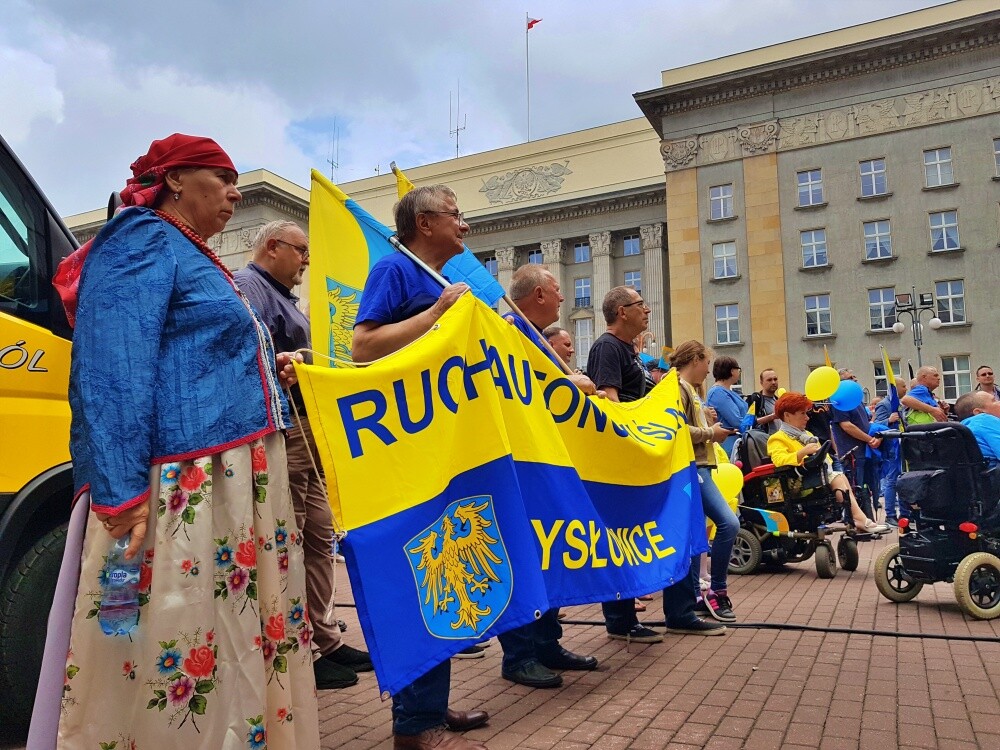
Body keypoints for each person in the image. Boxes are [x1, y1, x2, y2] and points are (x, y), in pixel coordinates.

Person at [53, 134, 320, 748]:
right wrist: (119, 493)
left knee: (223, 627)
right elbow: (111, 366)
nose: (234, 193)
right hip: (184, 485)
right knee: (173, 624)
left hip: (228, 475)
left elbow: (194, 352)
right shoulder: (142, 238)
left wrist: (262, 367)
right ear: (175, 180)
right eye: (221, 178)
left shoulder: (193, 255)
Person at [352, 184, 489, 750]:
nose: (465, 225)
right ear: (425, 222)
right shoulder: (393, 270)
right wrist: (438, 314)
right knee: (422, 575)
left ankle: (431, 705)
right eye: (456, 216)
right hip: (409, 450)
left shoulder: (434, 276)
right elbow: (362, 346)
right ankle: (411, 725)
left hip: (445, 446)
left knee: (450, 570)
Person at [234, 221, 374, 689]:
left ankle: (325, 636)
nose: (307, 260)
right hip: (286, 432)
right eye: (301, 250)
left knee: (318, 537)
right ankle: (299, 651)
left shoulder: (282, 297)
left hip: (306, 430)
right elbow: (248, 356)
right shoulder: (249, 287)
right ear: (272, 247)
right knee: (292, 538)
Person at [587, 287, 725, 640]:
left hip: (654, 459)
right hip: (632, 462)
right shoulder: (606, 348)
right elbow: (612, 406)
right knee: (627, 538)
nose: (647, 310)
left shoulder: (628, 352)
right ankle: (622, 620)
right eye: (640, 305)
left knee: (670, 529)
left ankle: (679, 610)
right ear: (621, 311)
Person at [491, 265, 599, 688]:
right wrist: (570, 386)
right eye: (556, 291)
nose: (561, 298)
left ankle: (546, 643)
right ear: (538, 294)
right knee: (521, 556)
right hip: (519, 464)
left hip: (545, 462)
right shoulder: (507, 331)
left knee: (548, 551)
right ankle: (518, 655)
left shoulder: (532, 335)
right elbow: (516, 391)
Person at [671, 341, 740, 623]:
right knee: (729, 523)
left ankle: (698, 594)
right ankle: (716, 590)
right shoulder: (677, 388)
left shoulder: (689, 390)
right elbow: (675, 428)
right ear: (695, 359)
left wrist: (707, 423)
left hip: (702, 466)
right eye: (706, 363)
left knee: (698, 534)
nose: (708, 371)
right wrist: (710, 432)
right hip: (694, 467)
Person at [768, 393, 890, 534]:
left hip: (811, 477)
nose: (807, 417)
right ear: (787, 415)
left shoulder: (806, 434)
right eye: (802, 413)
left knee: (840, 476)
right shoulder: (777, 438)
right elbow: (779, 461)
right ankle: (859, 519)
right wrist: (803, 452)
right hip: (794, 483)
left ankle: (857, 518)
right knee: (836, 477)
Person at [832, 368, 882, 520]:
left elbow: (865, 423)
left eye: (854, 377)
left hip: (865, 451)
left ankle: (869, 520)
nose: (855, 380)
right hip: (852, 453)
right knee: (855, 488)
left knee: (868, 488)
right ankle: (854, 522)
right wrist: (869, 439)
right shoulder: (839, 401)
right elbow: (846, 425)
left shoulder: (856, 400)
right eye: (850, 378)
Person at [874, 377, 908, 524]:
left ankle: (905, 513)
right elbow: (876, 426)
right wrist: (888, 420)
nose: (906, 389)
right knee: (892, 481)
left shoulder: (900, 404)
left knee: (903, 479)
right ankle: (890, 515)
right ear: (895, 389)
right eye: (903, 386)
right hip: (891, 446)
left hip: (902, 444)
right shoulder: (884, 404)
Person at [706, 356, 748, 457]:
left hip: (735, 440)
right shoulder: (718, 392)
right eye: (738, 369)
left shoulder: (727, 391)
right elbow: (736, 421)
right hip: (728, 443)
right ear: (732, 371)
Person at [956, 391, 1000, 467]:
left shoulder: (964, 426)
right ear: (978, 412)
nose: (999, 402)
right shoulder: (984, 420)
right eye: (994, 400)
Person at [745, 369, 781, 435]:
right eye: (769, 380)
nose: (773, 382)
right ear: (761, 383)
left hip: (779, 441)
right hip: (764, 441)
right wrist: (772, 416)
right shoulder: (755, 400)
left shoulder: (779, 401)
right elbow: (748, 424)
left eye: (775, 379)